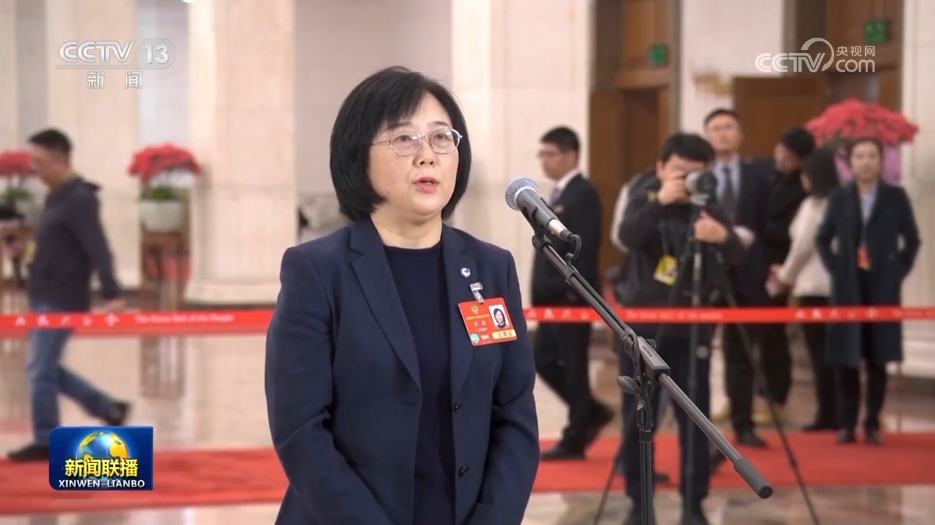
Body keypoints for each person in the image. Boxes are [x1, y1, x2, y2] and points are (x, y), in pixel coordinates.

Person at [264, 67, 539, 525]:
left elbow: (515, 416)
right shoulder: (317, 271)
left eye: (441, 138)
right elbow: (301, 430)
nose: (427, 156)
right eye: (404, 139)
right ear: (358, 156)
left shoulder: (491, 268)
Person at [618, 132, 747, 525]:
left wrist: (723, 236)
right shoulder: (644, 196)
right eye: (679, 172)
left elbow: (737, 253)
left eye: (696, 173)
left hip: (692, 330)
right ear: (661, 168)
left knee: (695, 421)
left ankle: (694, 502)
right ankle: (639, 502)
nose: (687, 181)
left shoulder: (707, 206)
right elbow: (627, 236)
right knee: (639, 419)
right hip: (644, 330)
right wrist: (661, 202)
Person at [7, 129, 130, 463]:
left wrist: (112, 291)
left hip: (61, 297)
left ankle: (46, 439)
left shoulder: (79, 199)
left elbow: (97, 246)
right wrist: (25, 249)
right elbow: (55, 241)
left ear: (60, 160)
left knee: (39, 369)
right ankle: (108, 407)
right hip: (44, 293)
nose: (34, 169)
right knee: (44, 367)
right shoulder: (56, 196)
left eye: (38, 162)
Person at [816, 137, 920, 446]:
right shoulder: (840, 197)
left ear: (881, 160)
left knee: (878, 357)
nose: (865, 162)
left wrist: (896, 270)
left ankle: (872, 422)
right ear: (850, 162)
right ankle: (847, 424)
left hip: (882, 285)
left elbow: (912, 240)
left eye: (872, 155)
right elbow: (823, 238)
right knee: (847, 358)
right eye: (859, 156)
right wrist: (835, 266)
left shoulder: (895, 196)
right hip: (848, 285)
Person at [531, 126, 613, 461]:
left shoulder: (583, 194)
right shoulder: (557, 193)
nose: (545, 161)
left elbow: (584, 247)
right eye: (542, 154)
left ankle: (576, 436)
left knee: (574, 365)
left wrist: (567, 290)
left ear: (572, 156)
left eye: (551, 154)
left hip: (569, 297)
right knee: (544, 360)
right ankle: (591, 412)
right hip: (550, 300)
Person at [702, 108, 771, 448]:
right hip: (705, 275)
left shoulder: (759, 176)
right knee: (699, 352)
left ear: (740, 134)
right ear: (707, 136)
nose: (723, 134)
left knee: (742, 353)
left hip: (747, 274)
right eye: (716, 128)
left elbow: (769, 226)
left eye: (729, 127)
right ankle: (700, 428)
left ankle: (744, 423)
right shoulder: (699, 178)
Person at [768, 149, 840, 431]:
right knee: (832, 353)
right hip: (836, 285)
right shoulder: (842, 201)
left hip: (814, 285)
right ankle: (835, 412)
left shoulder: (815, 205)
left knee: (820, 353)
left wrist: (785, 276)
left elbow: (802, 247)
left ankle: (828, 413)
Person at [755, 126, 815, 424]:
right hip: (748, 263)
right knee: (739, 336)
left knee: (772, 336)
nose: (783, 159)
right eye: (782, 151)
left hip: (776, 268)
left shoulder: (803, 188)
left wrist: (757, 230)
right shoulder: (762, 171)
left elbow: (794, 233)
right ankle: (740, 398)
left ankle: (776, 399)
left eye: (792, 157)